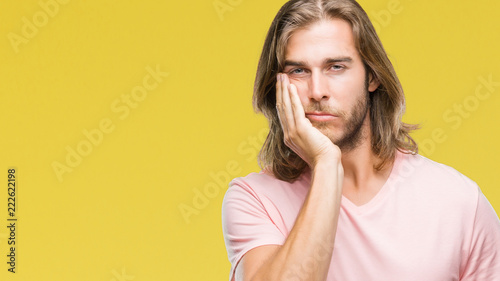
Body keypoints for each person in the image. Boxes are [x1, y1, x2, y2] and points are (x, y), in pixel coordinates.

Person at [221, 0, 500, 280]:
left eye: (336, 67)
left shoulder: (459, 201)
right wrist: (326, 164)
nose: (317, 92)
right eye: (298, 71)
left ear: (372, 76)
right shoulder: (254, 200)